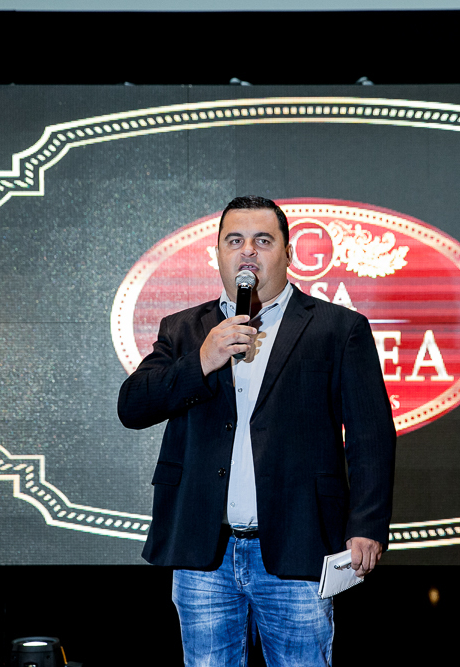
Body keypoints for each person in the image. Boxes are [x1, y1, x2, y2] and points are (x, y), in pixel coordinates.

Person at [118, 195, 396, 666]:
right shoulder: (185, 330)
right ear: (218, 254)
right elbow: (133, 407)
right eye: (234, 241)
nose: (247, 251)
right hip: (204, 549)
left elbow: (371, 437)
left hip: (299, 545)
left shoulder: (337, 328)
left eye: (262, 241)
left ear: (288, 253)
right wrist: (203, 360)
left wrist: (367, 525)